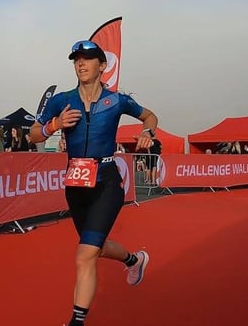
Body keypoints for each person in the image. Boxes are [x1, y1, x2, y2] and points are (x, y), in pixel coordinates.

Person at [28, 40, 156, 326]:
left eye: (87, 59)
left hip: (107, 181)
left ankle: (76, 322)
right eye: (76, 60)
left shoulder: (117, 101)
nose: (81, 64)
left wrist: (148, 131)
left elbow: (149, 116)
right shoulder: (62, 100)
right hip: (75, 184)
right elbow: (33, 135)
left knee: (84, 256)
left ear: (102, 65)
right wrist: (54, 126)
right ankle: (134, 261)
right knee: (94, 248)